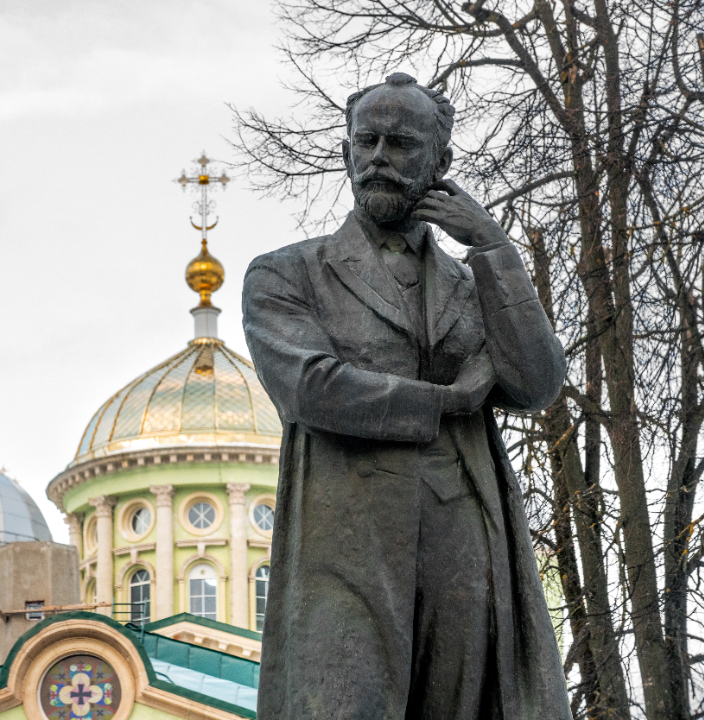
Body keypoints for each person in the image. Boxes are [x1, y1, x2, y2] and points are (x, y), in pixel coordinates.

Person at [241, 72, 572, 720]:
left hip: (464, 540)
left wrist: (495, 250)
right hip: (345, 542)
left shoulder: (473, 284)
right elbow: (312, 387)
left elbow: (536, 383)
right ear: (346, 153)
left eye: (400, 144)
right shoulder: (287, 273)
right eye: (366, 142)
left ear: (440, 163)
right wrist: (445, 401)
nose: (378, 158)